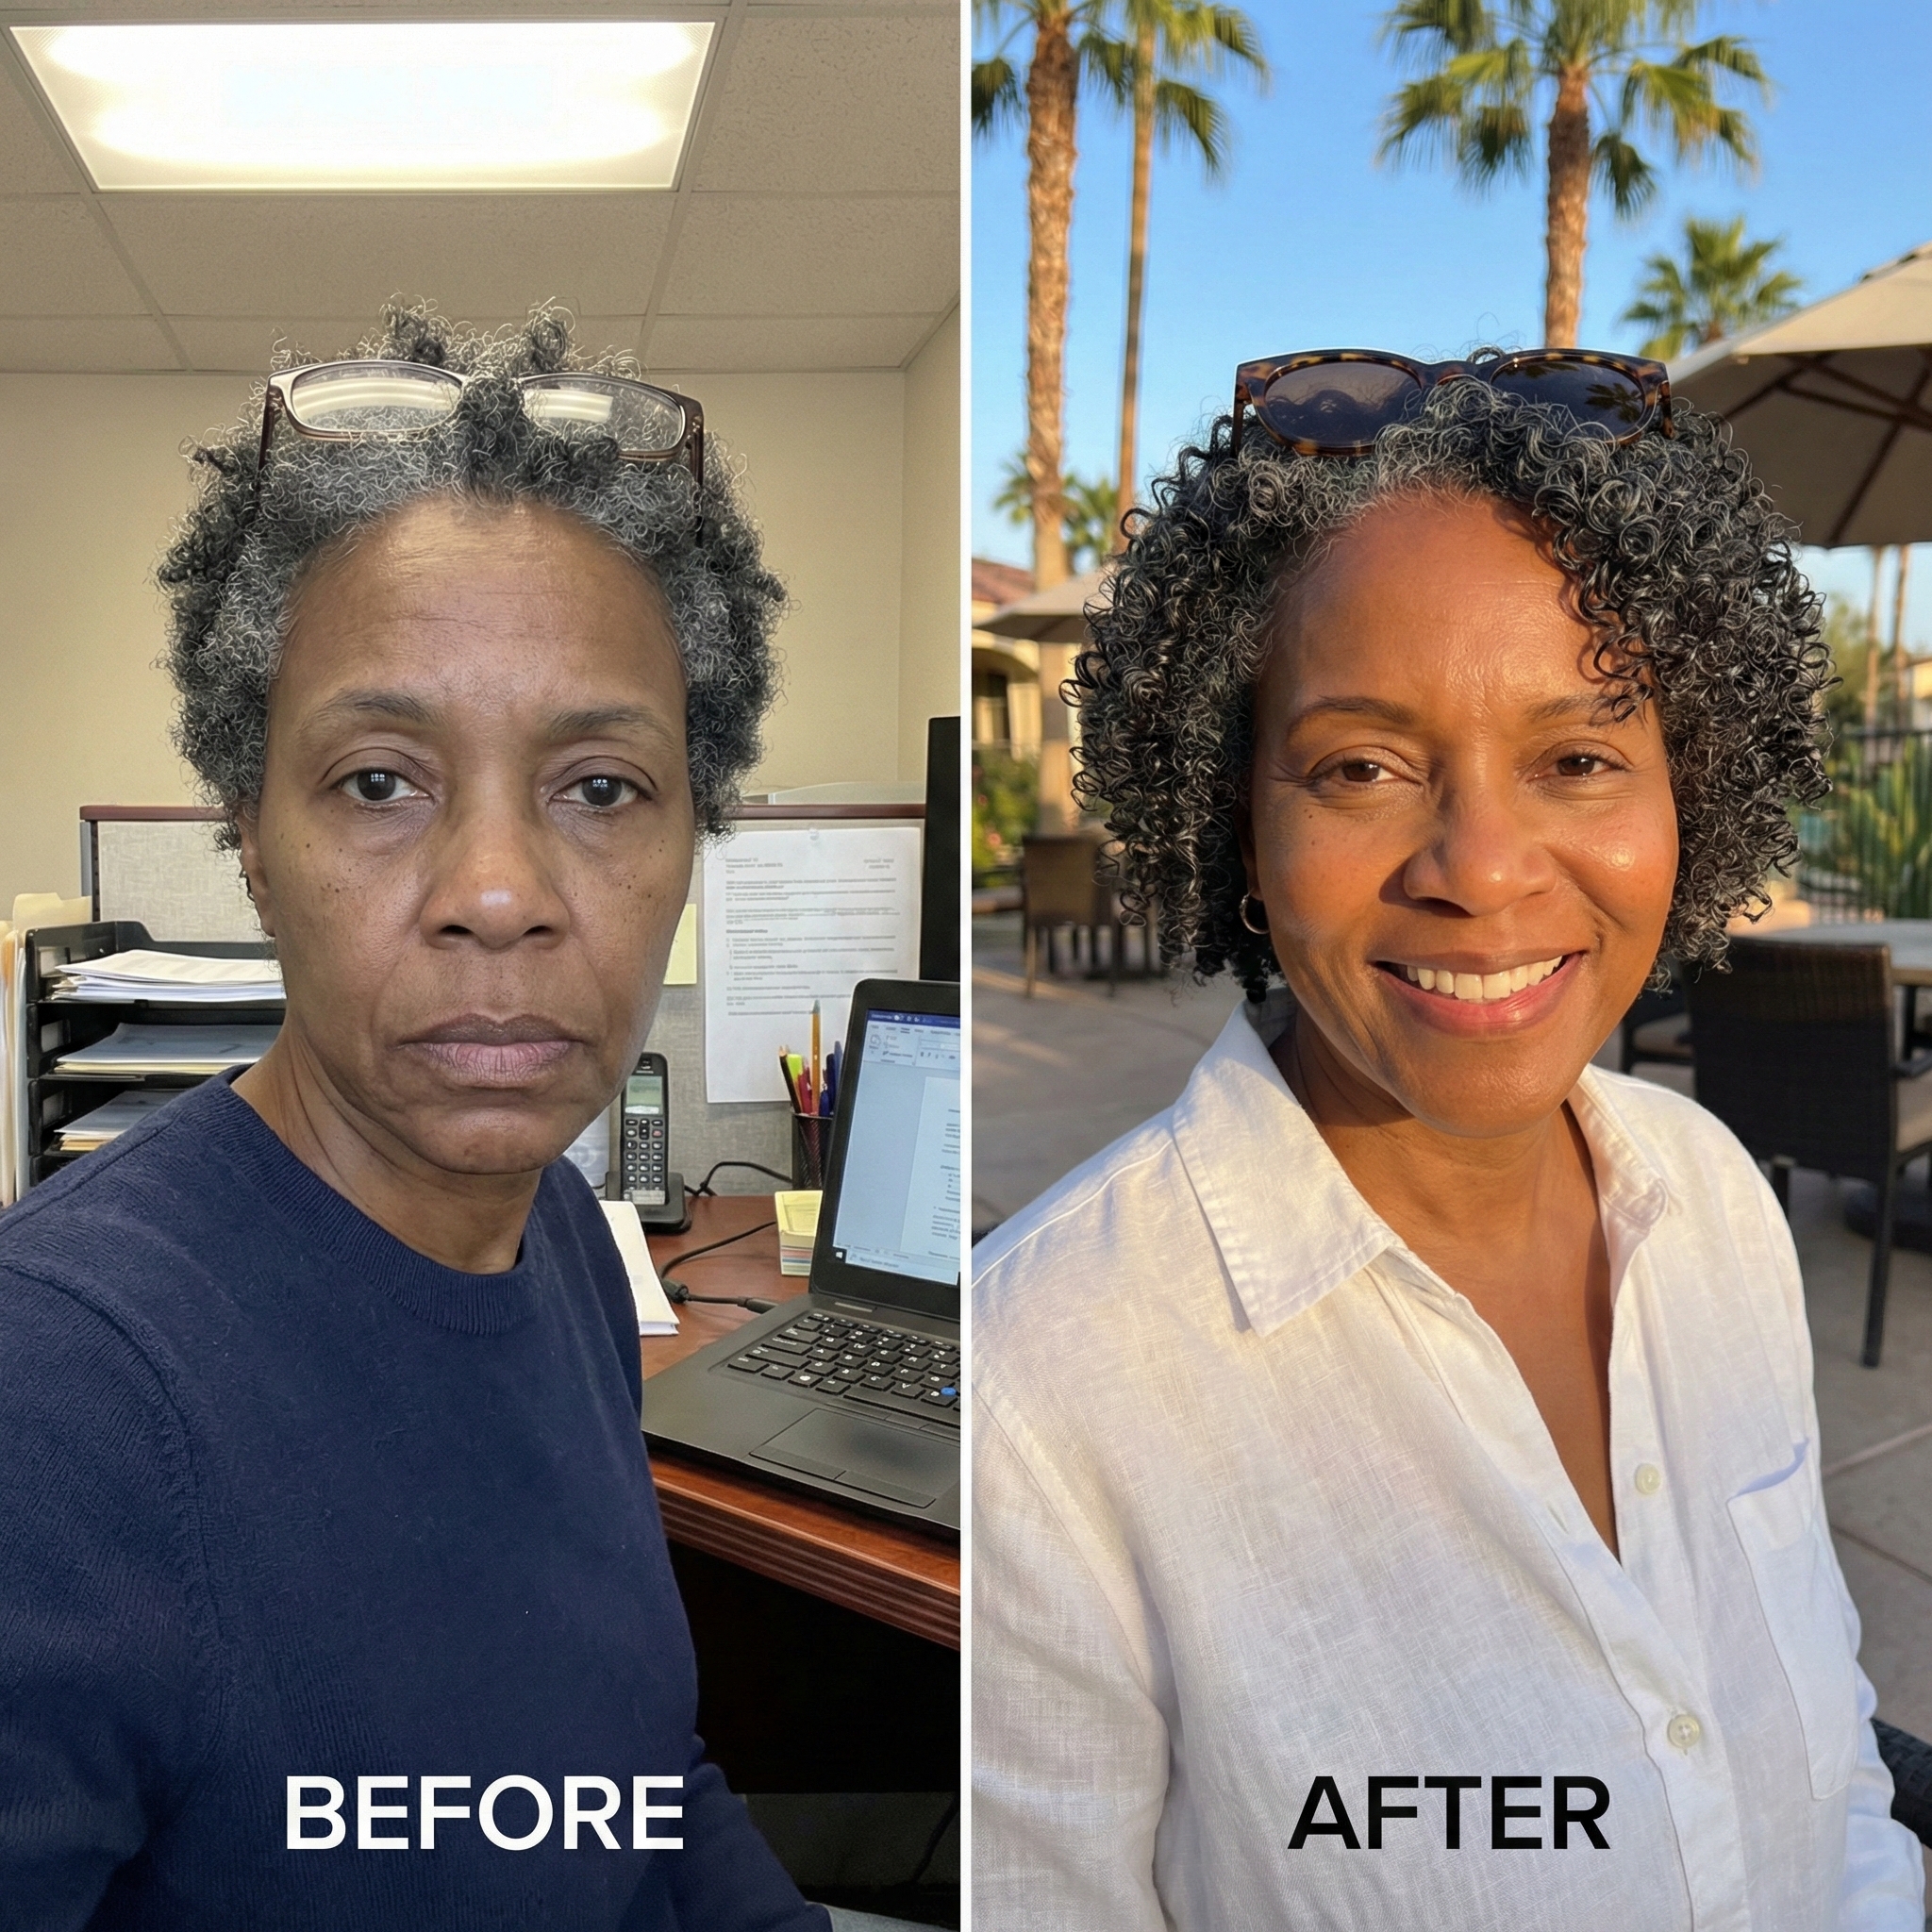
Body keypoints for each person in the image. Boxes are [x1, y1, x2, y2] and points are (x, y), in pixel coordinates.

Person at [972, 351, 1926, 1929]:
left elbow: (1838, 1797)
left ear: (1692, 791)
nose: (1482, 872)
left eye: (1578, 758)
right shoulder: (1046, 1399)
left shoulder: (1716, 1202)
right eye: (1361, 768)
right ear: (1240, 827)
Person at [0, 304, 838, 1929]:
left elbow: (637, 1785)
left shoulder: (575, 1261)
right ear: (248, 827)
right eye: (381, 780)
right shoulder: (62, 1395)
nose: (501, 894)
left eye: (600, 786)